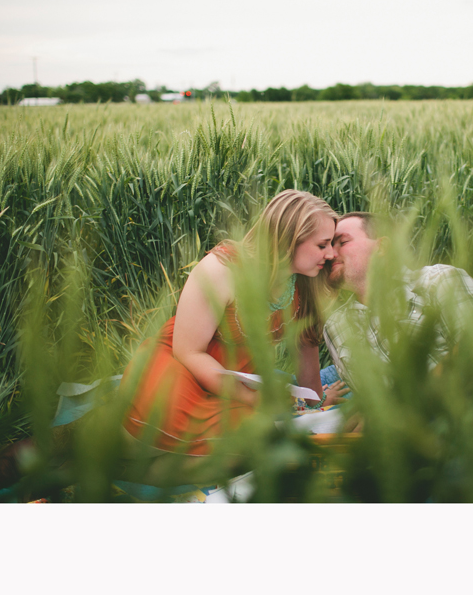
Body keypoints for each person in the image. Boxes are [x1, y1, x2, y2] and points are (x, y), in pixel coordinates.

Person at [121, 189, 347, 457]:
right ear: (288, 240)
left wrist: (314, 404)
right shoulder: (222, 270)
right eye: (322, 245)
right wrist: (251, 398)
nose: (331, 254)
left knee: (265, 440)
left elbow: (305, 344)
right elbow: (188, 351)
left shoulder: (306, 281)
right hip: (183, 365)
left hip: (237, 377)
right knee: (194, 426)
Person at [321, 212, 473, 400]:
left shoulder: (441, 282)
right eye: (327, 246)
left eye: (342, 242)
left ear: (381, 247)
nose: (330, 254)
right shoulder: (335, 327)